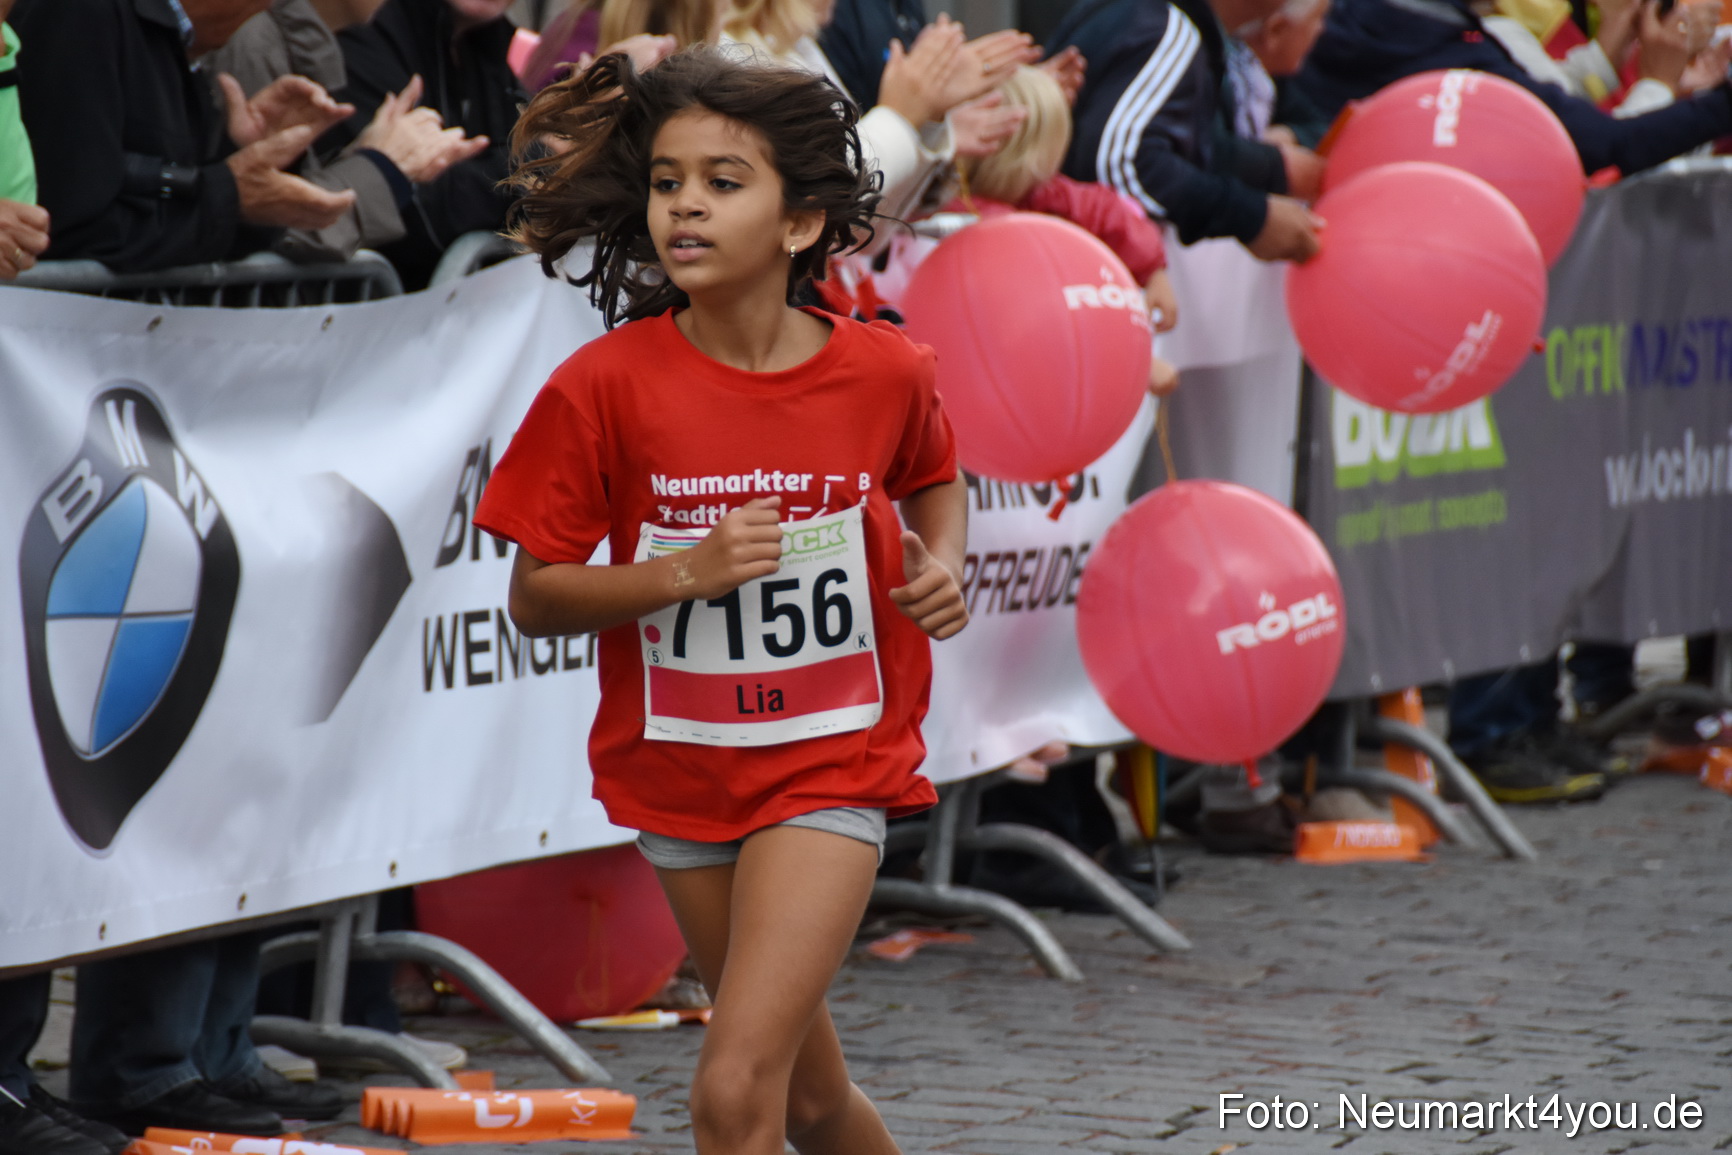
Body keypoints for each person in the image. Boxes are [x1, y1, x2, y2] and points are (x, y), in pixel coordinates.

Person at [473, 49, 969, 1153]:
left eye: (722, 182)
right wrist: (682, 573)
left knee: (732, 1092)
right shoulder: (602, 386)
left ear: (799, 224)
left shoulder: (883, 373)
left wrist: (941, 565)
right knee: (805, 1098)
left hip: (832, 762)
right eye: (665, 181)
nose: (685, 204)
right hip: (682, 772)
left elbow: (934, 473)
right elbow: (535, 598)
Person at [10, 0, 354, 271]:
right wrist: (232, 195)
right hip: (56, 343)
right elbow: (69, 228)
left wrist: (247, 160)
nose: (268, 5)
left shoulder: (166, 34)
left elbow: (179, 220)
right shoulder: (84, 14)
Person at [1293, 0, 1732, 176]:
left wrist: (1613, 58)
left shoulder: (1427, 31)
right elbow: (1607, 150)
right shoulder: (1441, 46)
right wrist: (1662, 83)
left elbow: (1558, 102)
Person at [950, 64, 1182, 395]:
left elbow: (1101, 208)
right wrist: (1135, 363)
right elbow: (1053, 316)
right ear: (1032, 156)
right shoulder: (976, 227)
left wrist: (1152, 270)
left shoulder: (1035, 191)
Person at [204, 0, 488, 262]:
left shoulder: (303, 40)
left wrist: (365, 156)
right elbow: (270, 235)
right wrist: (384, 167)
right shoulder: (253, 40)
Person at [1047, 0, 1325, 262]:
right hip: (1072, 263)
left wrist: (1268, 175)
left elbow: (1172, 147)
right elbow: (1123, 167)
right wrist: (1249, 217)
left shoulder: (1160, 20)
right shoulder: (1166, 26)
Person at [722, 1, 1033, 222]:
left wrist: (926, 118)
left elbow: (869, 230)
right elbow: (825, 206)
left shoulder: (797, 50)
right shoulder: (732, 56)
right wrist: (901, 116)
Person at [332, 0, 528, 288]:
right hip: (359, 319)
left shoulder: (487, 50)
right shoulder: (365, 41)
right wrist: (542, 159)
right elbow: (414, 212)